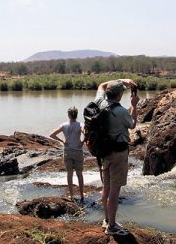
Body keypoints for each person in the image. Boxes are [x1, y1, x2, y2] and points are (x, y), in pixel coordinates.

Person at [94, 79, 138, 236]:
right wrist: (134, 105)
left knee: (106, 187)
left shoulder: (99, 102)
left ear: (107, 92)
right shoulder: (121, 111)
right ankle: (112, 227)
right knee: (114, 191)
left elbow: (101, 85)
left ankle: (107, 219)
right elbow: (132, 124)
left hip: (104, 152)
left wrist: (121, 80)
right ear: (120, 95)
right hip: (118, 154)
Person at [49, 107, 85, 202]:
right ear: (76, 115)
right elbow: (87, 134)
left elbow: (52, 134)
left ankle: (72, 195)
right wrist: (82, 142)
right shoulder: (80, 125)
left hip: (68, 151)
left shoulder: (63, 125)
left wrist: (62, 141)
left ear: (68, 115)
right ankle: (82, 195)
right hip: (77, 151)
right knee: (79, 174)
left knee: (69, 174)